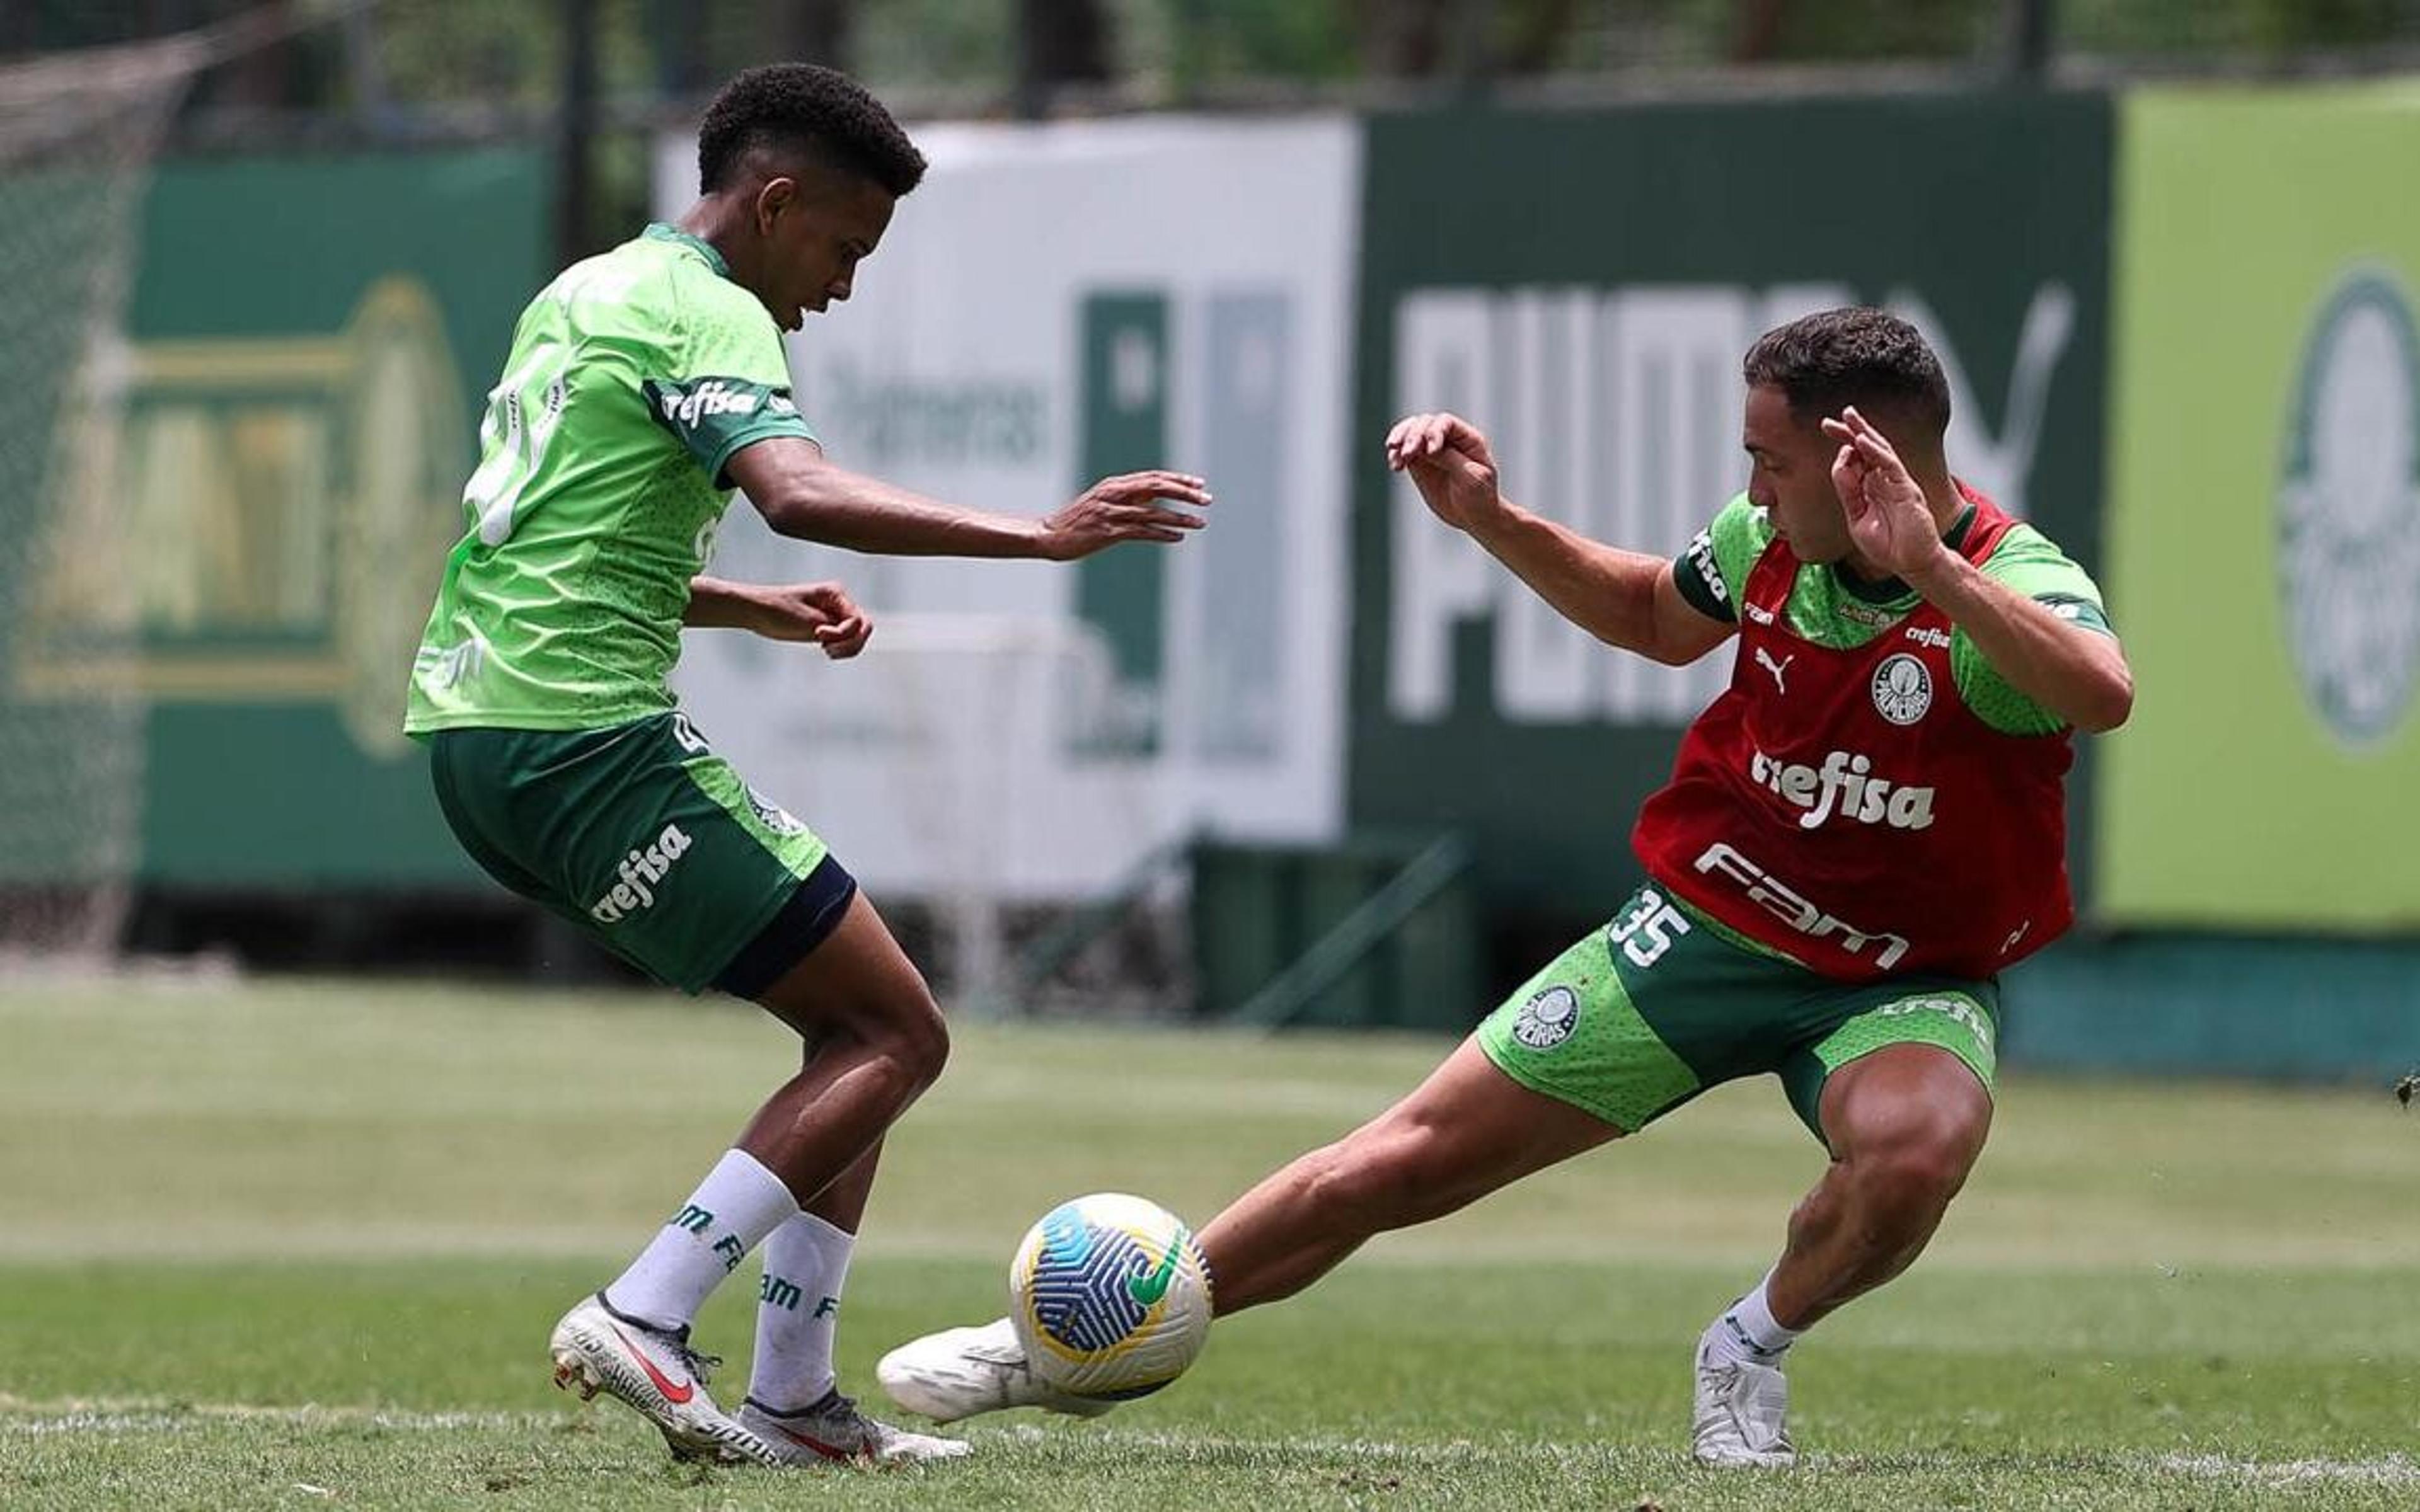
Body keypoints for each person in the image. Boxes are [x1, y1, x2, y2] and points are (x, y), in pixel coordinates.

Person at [873, 307, 2131, 1468]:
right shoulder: (1766, 546)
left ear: (1871, 460)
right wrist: (1489, 517)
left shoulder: (2010, 578)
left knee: (1913, 1159)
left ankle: (1749, 1344)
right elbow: (1652, 612)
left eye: (1773, 461)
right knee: (1394, 1165)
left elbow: (2101, 693)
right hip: (1708, 930)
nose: (1752, 487)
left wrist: (1937, 573)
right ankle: (1065, 1345)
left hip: (1904, 978)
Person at [403, 62, 1209, 1470]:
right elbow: (800, 491)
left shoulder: (587, 292)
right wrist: (1041, 535)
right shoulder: (705, 311)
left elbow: (534, 544)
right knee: (904, 1038)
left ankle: (793, 1397)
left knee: (859, 1027)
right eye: (844, 247)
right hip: (580, 741)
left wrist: (749, 607)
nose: (840, 287)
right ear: (775, 205)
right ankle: (647, 1311)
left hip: (480, 738)